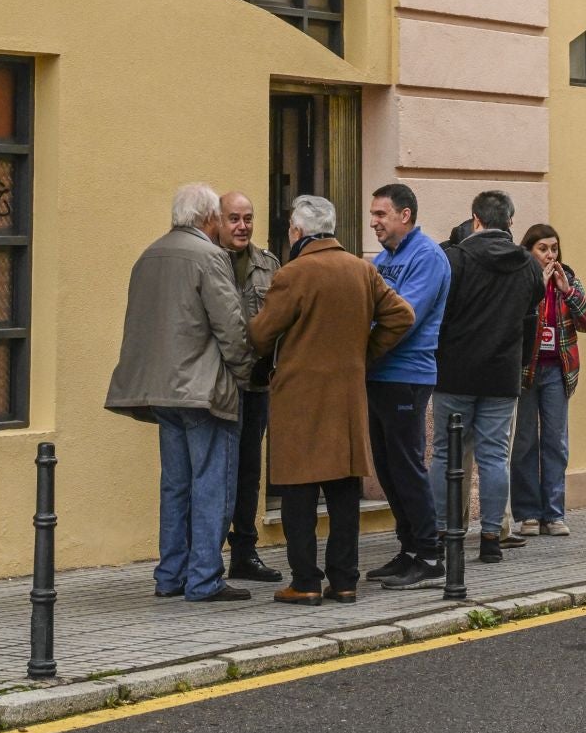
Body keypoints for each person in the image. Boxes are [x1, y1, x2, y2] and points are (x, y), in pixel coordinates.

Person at [248, 194, 414, 606]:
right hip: (346, 397)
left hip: (299, 398)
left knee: (299, 494)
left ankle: (305, 580)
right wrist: (364, 353)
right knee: (343, 493)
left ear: (297, 231)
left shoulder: (293, 274)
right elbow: (402, 316)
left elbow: (260, 335)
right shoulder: (362, 270)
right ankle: (344, 581)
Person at [104, 182, 254, 605]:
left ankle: (170, 574)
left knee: (175, 484)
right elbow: (231, 326)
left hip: (161, 390)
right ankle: (204, 578)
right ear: (208, 218)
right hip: (203, 389)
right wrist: (243, 374)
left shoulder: (148, 256)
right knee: (212, 483)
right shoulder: (209, 257)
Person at [430, 189, 545, 563]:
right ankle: (492, 537)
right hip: (502, 375)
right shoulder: (528, 266)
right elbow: (531, 314)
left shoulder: (455, 259)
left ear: (475, 219)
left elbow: (439, 314)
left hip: (455, 373)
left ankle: (444, 531)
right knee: (495, 457)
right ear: (510, 222)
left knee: (447, 454)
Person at [365, 182, 453, 588]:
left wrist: (362, 342)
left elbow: (405, 317)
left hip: (407, 376)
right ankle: (409, 550)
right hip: (379, 375)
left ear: (405, 215)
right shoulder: (384, 260)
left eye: (381, 214)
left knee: (406, 466)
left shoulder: (428, 257)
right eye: (373, 214)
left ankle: (430, 556)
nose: (373, 222)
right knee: (387, 469)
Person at [511, 223, 586, 536]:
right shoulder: (520, 278)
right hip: (525, 371)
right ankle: (527, 514)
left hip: (557, 371)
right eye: (543, 249)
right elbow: (510, 317)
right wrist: (536, 286)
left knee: (555, 443)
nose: (550, 255)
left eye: (554, 248)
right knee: (524, 442)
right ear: (529, 251)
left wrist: (568, 292)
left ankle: (554, 513)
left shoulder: (569, 279)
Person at [217, 189, 282, 584]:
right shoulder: (205, 261)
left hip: (255, 387)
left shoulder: (268, 265)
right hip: (217, 384)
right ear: (218, 221)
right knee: (215, 472)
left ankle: (245, 551)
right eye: (234, 219)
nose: (243, 226)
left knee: (248, 472)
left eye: (248, 218)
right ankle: (206, 554)